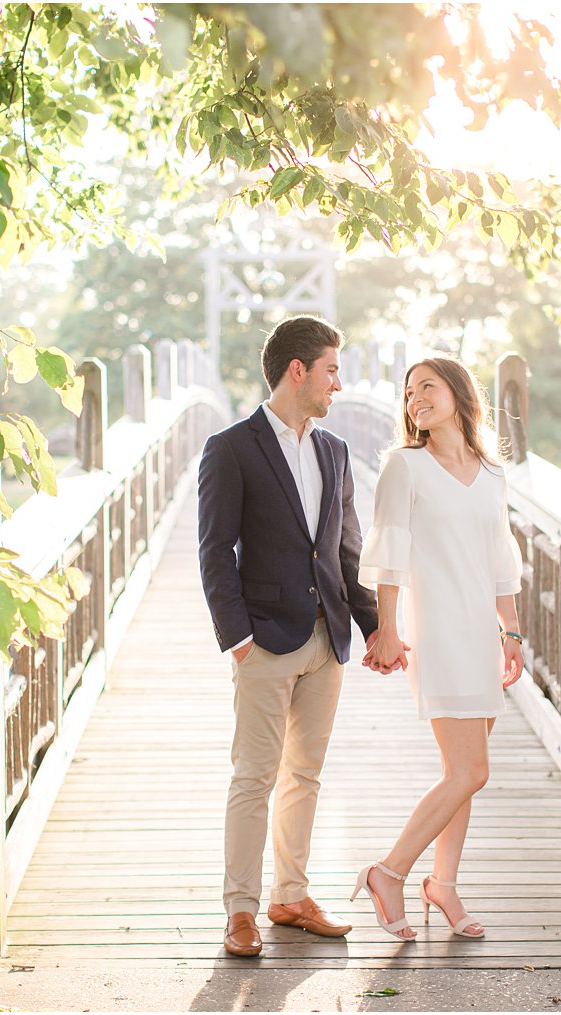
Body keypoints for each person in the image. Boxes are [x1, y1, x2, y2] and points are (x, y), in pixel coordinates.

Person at [197, 316, 386, 958]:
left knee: (304, 774)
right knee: (254, 776)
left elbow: (347, 550)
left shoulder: (333, 452)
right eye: (332, 369)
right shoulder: (231, 448)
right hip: (264, 640)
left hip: (326, 638)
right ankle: (241, 910)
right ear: (298, 371)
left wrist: (374, 628)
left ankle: (291, 895)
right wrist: (237, 639)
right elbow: (215, 551)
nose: (340, 382)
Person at [351, 355, 525, 941]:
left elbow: (501, 559)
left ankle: (443, 884)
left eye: (426, 387)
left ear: (457, 393)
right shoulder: (405, 467)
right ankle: (390, 871)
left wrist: (512, 631)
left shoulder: (492, 472)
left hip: (481, 631)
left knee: (464, 772)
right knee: (470, 769)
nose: (414, 398)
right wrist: (389, 628)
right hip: (438, 630)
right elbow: (390, 555)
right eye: (408, 392)